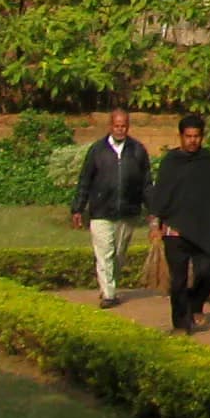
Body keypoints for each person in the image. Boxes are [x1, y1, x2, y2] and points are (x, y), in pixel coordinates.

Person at [148, 112, 210, 335]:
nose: (192, 140)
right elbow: (161, 194)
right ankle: (180, 325)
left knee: (207, 271)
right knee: (178, 280)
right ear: (180, 136)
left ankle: (195, 305)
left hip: (205, 227)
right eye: (188, 136)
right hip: (175, 229)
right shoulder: (171, 162)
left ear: (202, 137)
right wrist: (155, 226)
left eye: (196, 136)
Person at [68, 108, 153, 309]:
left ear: (128, 127)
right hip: (101, 211)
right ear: (110, 126)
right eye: (117, 126)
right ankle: (109, 294)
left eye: (123, 126)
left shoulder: (137, 150)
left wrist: (153, 209)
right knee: (104, 252)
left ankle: (109, 286)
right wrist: (77, 208)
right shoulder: (97, 151)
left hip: (127, 211)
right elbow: (85, 180)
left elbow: (146, 183)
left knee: (118, 255)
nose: (120, 129)